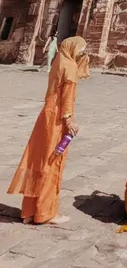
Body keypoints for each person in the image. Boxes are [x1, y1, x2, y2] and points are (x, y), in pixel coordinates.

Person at [8, 36, 89, 225]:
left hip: (45, 117)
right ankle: (46, 212)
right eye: (81, 49)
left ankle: (28, 212)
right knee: (52, 164)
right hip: (58, 121)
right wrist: (69, 121)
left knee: (37, 160)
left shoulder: (58, 63)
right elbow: (67, 98)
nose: (83, 53)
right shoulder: (70, 68)